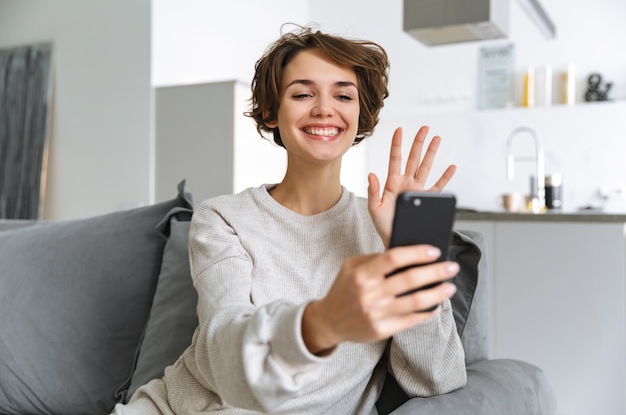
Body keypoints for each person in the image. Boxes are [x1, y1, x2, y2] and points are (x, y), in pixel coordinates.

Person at [113, 25, 465, 415]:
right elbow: (224, 349)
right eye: (302, 94)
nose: (324, 109)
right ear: (270, 112)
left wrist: (407, 246)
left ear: (360, 114)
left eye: (343, 95)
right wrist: (319, 324)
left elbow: (436, 379)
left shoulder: (380, 229)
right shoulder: (223, 219)